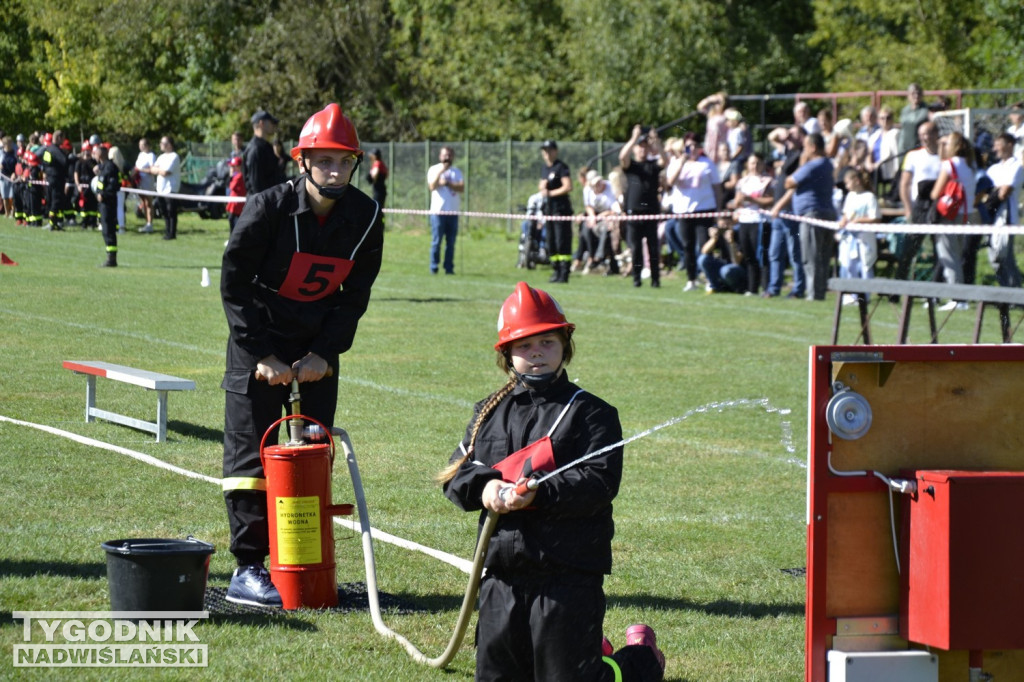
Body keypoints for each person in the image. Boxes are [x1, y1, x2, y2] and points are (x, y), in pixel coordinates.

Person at [439, 281, 666, 682]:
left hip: (568, 577)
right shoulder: (488, 412)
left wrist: (538, 492)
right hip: (502, 576)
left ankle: (641, 659)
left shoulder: (592, 413)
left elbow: (599, 482)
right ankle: (592, 650)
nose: (537, 353)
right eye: (525, 345)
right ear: (507, 353)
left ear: (565, 345)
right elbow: (457, 474)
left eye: (547, 342)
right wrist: (487, 488)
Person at [220, 102, 384, 607]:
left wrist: (324, 353)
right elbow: (234, 282)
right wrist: (262, 353)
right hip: (259, 340)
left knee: (312, 451)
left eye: (343, 161)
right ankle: (248, 568)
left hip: (317, 345)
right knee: (252, 454)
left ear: (354, 163)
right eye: (324, 160)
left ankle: (307, 560)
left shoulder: (366, 215)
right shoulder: (267, 207)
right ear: (302, 161)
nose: (334, 170)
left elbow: (354, 296)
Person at [776, 132, 837, 301]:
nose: (803, 150)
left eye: (805, 147)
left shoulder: (813, 165)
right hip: (826, 213)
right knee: (822, 257)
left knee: (810, 256)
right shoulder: (828, 164)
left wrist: (802, 163)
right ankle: (819, 292)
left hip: (812, 214)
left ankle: (814, 294)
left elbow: (789, 182)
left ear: (813, 147)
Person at [666, 132, 722, 291]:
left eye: (695, 146)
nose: (692, 149)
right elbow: (671, 182)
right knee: (687, 246)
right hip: (684, 211)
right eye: (689, 146)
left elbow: (717, 188)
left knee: (705, 246)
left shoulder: (707, 163)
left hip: (704, 209)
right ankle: (691, 279)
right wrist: (682, 161)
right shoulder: (675, 162)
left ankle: (710, 278)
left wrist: (718, 210)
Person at [929, 131, 976, 308]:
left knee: (949, 256)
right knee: (955, 255)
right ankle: (959, 296)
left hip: (950, 215)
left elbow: (935, 192)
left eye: (947, 143)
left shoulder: (949, 165)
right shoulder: (970, 165)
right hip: (967, 215)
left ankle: (957, 298)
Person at [619, 125, 666, 288]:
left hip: (650, 213)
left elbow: (665, 160)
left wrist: (656, 141)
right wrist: (634, 138)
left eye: (645, 147)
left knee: (653, 249)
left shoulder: (652, 165)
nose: (642, 150)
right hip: (634, 213)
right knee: (636, 249)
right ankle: (636, 279)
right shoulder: (631, 166)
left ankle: (655, 280)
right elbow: (622, 156)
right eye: (639, 147)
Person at [896, 120, 941, 281]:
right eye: (922, 134)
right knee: (909, 249)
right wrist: (908, 209)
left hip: (939, 207)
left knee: (939, 250)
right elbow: (905, 184)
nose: (925, 137)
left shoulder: (944, 156)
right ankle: (896, 289)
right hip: (919, 207)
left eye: (928, 133)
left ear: (936, 134)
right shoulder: (913, 156)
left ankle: (935, 291)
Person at [730, 153, 774, 294]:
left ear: (762, 164)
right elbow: (736, 202)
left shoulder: (767, 181)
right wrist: (739, 201)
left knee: (761, 255)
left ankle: (766, 287)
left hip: (760, 220)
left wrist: (752, 199)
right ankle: (752, 287)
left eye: (757, 163)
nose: (754, 166)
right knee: (748, 255)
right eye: (752, 163)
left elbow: (770, 200)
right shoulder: (742, 182)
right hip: (745, 220)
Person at [984, 132, 1024, 288]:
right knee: (995, 258)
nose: (995, 149)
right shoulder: (993, 168)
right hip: (990, 217)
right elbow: (982, 191)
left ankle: (1015, 294)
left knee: (1004, 257)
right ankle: (1009, 292)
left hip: (1006, 217)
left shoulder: (1016, 167)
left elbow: (1005, 192)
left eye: (998, 144)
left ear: (1009, 145)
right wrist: (994, 191)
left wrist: (993, 192)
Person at [836, 169, 880, 300]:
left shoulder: (869, 197)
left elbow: (875, 217)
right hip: (851, 238)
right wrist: (843, 221)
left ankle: (865, 296)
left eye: (848, 182)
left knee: (865, 266)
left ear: (857, 181)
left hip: (865, 237)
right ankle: (853, 295)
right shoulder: (850, 196)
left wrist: (858, 220)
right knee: (849, 265)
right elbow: (846, 213)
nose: (846, 186)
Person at [539, 140, 574, 283]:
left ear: (555, 151)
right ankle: (555, 270)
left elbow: (568, 187)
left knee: (562, 242)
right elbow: (542, 186)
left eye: (549, 150)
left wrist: (550, 193)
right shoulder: (545, 168)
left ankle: (564, 273)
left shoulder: (561, 167)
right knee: (551, 242)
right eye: (545, 151)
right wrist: (542, 188)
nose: (547, 153)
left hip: (561, 210)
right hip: (549, 210)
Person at [427, 145, 464, 275]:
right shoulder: (433, 169)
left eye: (449, 155)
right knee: (437, 241)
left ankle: (449, 268)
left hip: (453, 212)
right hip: (438, 212)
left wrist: (448, 183)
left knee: (451, 243)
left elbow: (461, 188)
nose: (447, 157)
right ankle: (434, 267)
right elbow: (432, 186)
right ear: (440, 156)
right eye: (444, 155)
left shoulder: (457, 172)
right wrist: (442, 171)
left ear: (452, 156)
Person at [141, 136, 181, 240]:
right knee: (164, 212)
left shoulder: (174, 156)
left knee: (171, 212)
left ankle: (172, 233)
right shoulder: (161, 157)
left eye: (162, 143)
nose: (160, 145)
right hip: (160, 190)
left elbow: (165, 172)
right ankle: (167, 231)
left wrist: (158, 170)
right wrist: (158, 170)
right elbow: (152, 169)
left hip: (170, 189)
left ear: (169, 145)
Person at [582, 170, 622, 275]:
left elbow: (616, 209)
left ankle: (599, 257)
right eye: (595, 184)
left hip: (609, 217)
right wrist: (592, 217)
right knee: (586, 229)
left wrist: (605, 214)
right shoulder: (587, 190)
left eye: (599, 182)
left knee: (606, 230)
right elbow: (588, 206)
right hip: (596, 217)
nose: (598, 185)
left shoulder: (610, 188)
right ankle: (591, 256)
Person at [92, 143, 121, 267]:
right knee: (105, 228)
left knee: (109, 229)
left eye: (96, 153)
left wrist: (103, 194)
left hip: (108, 202)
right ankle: (109, 256)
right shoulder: (103, 167)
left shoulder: (110, 167)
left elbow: (114, 185)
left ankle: (112, 259)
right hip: (102, 202)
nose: (94, 155)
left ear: (102, 154)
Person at [244, 109, 285, 195]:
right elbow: (256, 186)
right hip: (261, 205)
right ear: (261, 123)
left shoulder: (266, 146)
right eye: (271, 122)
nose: (274, 125)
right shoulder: (255, 149)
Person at [698, 223, 746, 293]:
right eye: (722, 219)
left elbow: (737, 261)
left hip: (739, 268)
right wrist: (713, 239)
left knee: (726, 270)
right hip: (723, 265)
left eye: (728, 219)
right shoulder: (719, 232)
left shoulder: (740, 232)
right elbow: (704, 251)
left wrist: (731, 242)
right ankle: (715, 287)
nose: (725, 223)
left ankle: (736, 288)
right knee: (702, 259)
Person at [40, 130, 72, 231]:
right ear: (58, 138)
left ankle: (54, 223)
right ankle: (52, 223)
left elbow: (45, 164)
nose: (63, 141)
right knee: (55, 201)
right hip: (56, 179)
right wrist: (73, 158)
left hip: (50, 178)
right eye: (63, 138)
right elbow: (65, 161)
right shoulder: (55, 150)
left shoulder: (48, 149)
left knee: (52, 201)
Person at [898, 83, 930, 158]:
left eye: (918, 93)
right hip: (904, 148)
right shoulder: (905, 110)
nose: (916, 96)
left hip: (919, 148)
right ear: (908, 95)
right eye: (913, 93)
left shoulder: (926, 110)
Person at [697, 91, 729, 163]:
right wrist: (710, 99)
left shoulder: (726, 113)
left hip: (720, 146)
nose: (717, 103)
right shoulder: (711, 113)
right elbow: (700, 107)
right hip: (710, 145)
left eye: (719, 101)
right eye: (716, 102)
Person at [134, 138, 156, 232]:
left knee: (148, 203)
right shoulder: (140, 155)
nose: (140, 147)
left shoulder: (151, 155)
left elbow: (152, 170)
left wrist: (141, 170)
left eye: (142, 145)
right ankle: (146, 222)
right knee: (143, 202)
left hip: (148, 182)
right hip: (140, 182)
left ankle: (150, 224)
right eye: (140, 145)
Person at [366, 148, 388, 226]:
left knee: (377, 208)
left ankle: (377, 225)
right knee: (380, 208)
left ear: (375, 155)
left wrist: (372, 178)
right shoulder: (382, 163)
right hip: (382, 189)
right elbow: (387, 175)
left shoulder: (377, 163)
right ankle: (380, 224)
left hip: (378, 189)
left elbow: (374, 175)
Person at [226, 155, 246, 233]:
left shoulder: (239, 176)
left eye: (234, 166)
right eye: (232, 166)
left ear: (239, 167)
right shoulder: (238, 175)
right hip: (234, 202)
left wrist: (231, 176)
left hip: (237, 203)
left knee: (233, 220)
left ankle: (233, 237)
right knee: (233, 220)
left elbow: (231, 186)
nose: (232, 168)